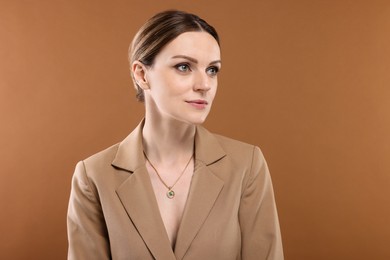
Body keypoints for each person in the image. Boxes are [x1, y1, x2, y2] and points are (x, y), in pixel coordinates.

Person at [67, 10, 284, 260]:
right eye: (184, 67)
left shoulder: (247, 165)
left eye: (212, 70)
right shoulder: (94, 176)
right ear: (142, 74)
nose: (204, 84)